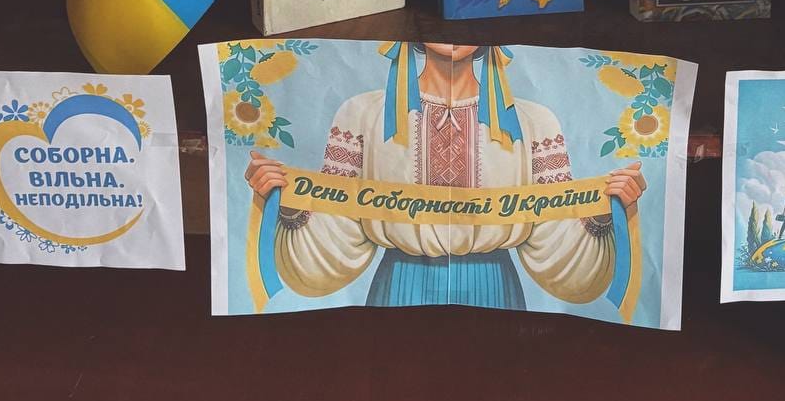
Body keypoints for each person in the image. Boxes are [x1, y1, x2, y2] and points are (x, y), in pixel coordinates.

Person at [245, 42, 646, 310]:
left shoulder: (533, 121)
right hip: (400, 285)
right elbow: (338, 223)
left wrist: (605, 210)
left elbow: (555, 233)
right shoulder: (363, 114)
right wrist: (285, 201)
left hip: (494, 287)